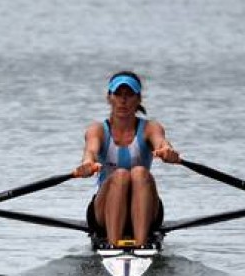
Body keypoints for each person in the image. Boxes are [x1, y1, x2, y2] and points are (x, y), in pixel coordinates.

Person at [73, 71, 180, 248]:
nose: (123, 100)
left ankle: (141, 244)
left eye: (129, 94)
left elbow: (161, 141)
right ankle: (113, 245)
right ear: (109, 98)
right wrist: (87, 164)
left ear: (138, 99)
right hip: (104, 212)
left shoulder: (150, 128)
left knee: (139, 173)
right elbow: (90, 150)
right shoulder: (97, 129)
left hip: (146, 211)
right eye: (118, 94)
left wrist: (167, 151)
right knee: (121, 175)